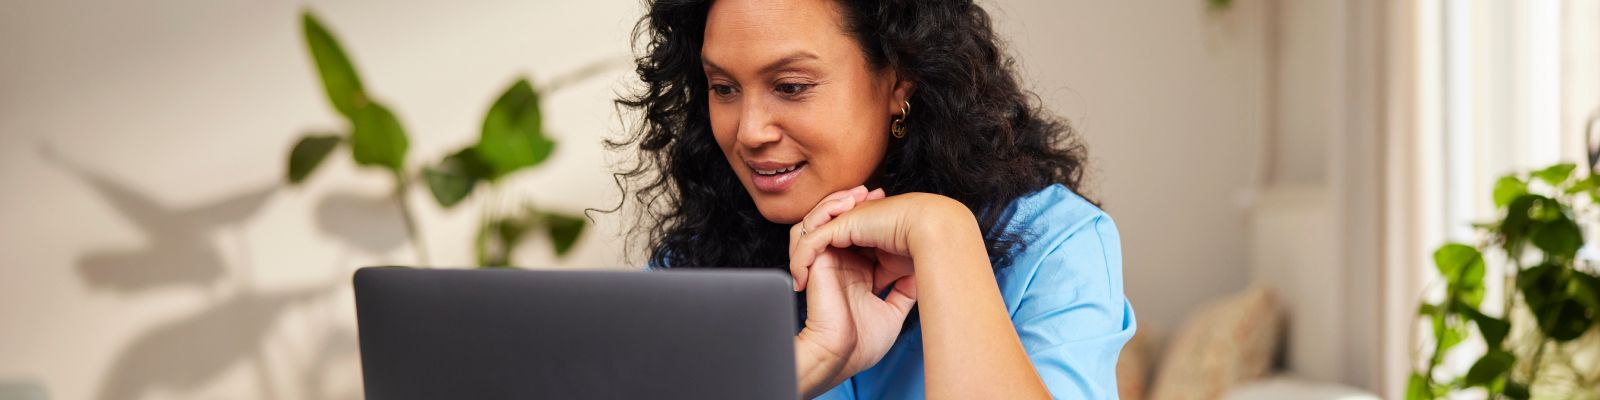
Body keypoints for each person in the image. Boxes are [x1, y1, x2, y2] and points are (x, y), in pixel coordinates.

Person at [609, 0, 1135, 398]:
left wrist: (941, 233)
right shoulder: (691, 264)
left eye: (790, 86)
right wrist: (813, 361)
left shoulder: (1052, 245)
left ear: (900, 81)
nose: (749, 131)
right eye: (724, 88)